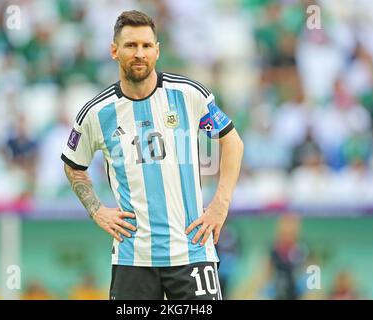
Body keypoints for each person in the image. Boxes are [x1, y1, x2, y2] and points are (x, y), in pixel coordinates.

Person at [61, 10, 244, 300]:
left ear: (157, 51)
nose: (139, 53)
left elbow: (232, 142)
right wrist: (96, 210)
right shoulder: (97, 113)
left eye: (147, 46)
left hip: (192, 251)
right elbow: (73, 165)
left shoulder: (187, 95)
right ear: (114, 50)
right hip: (133, 259)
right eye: (131, 45)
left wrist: (221, 203)